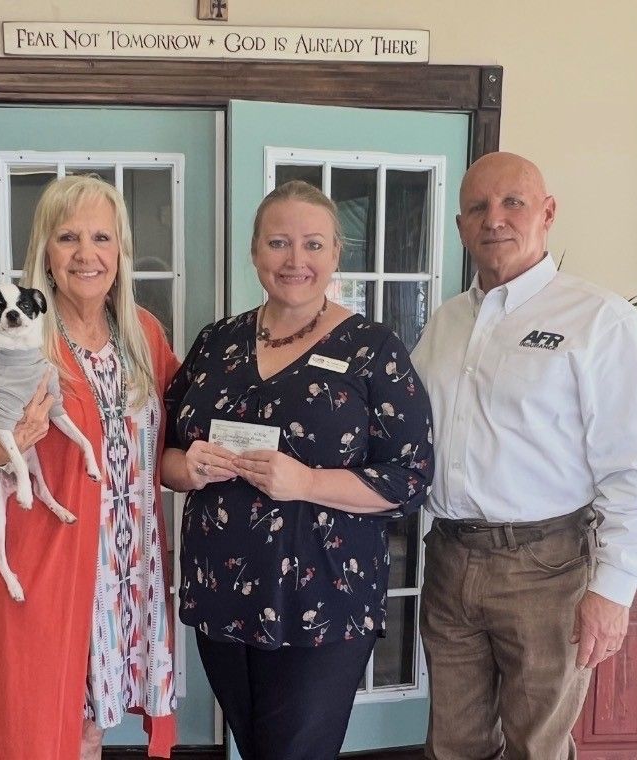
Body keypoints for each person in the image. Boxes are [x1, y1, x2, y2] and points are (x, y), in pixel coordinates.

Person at [411, 152, 637, 760]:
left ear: (547, 213)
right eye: (478, 207)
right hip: (450, 559)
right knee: (453, 744)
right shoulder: (446, 324)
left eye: (513, 203)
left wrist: (612, 592)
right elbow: (406, 436)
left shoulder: (597, 320)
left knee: (539, 747)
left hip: (547, 569)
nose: (494, 219)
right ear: (459, 226)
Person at [162, 180, 434, 760]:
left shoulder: (373, 349)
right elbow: (161, 453)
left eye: (313, 244)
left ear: (337, 253)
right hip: (223, 592)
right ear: (256, 252)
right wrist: (187, 467)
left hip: (325, 596)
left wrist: (307, 483)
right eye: (279, 242)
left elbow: (411, 476)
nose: (295, 260)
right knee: (257, 747)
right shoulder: (218, 341)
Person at [0, 175, 180, 760]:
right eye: (68, 238)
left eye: (101, 237)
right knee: (48, 732)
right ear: (45, 252)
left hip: (124, 567)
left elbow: (177, 427)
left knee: (91, 727)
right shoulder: (15, 344)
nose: (87, 254)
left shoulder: (144, 334)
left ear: (121, 252)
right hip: (46, 569)